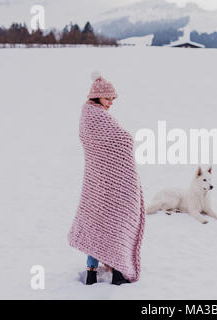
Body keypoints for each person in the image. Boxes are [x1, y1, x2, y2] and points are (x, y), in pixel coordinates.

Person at [68, 72, 146, 286]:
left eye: (113, 98)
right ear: (96, 97)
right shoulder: (97, 116)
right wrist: (126, 140)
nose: (111, 102)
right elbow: (120, 140)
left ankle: (92, 272)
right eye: (108, 98)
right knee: (115, 222)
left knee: (97, 224)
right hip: (104, 181)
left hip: (97, 182)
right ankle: (118, 272)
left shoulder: (88, 115)